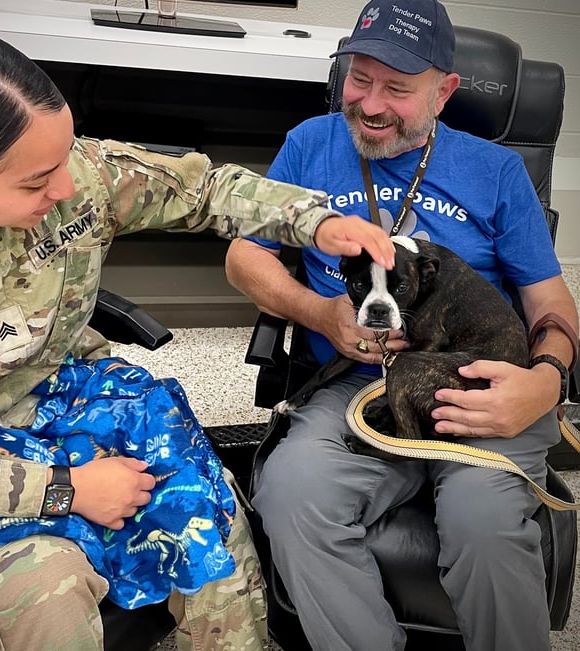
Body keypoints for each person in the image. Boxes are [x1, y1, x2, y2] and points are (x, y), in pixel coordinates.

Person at [0, 29, 396, 651]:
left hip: (56, 399)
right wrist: (65, 488)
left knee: (208, 512)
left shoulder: (73, 173)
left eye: (64, 158)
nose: (65, 189)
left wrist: (316, 221)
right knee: (45, 582)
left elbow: (206, 189)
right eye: (36, 183)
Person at [225, 1, 579, 650]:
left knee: (483, 521)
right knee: (290, 493)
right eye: (360, 79)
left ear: (444, 92)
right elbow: (243, 257)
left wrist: (546, 382)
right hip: (357, 385)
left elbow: (552, 304)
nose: (371, 104)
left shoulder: (495, 172)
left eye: (398, 88)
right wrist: (319, 313)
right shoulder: (310, 143)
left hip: (475, 384)